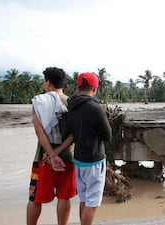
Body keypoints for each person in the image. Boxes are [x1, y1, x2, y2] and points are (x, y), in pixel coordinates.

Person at [27, 67, 76, 225]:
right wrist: (58, 153)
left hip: (44, 158)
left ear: (48, 82)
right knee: (64, 196)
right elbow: (75, 133)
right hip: (68, 157)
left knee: (35, 198)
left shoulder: (39, 101)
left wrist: (52, 155)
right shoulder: (72, 103)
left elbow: (39, 131)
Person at [68, 72, 112, 225]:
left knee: (84, 199)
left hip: (79, 159)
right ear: (95, 88)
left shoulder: (71, 105)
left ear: (78, 86)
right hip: (93, 160)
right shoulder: (95, 107)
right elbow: (108, 136)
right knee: (92, 204)